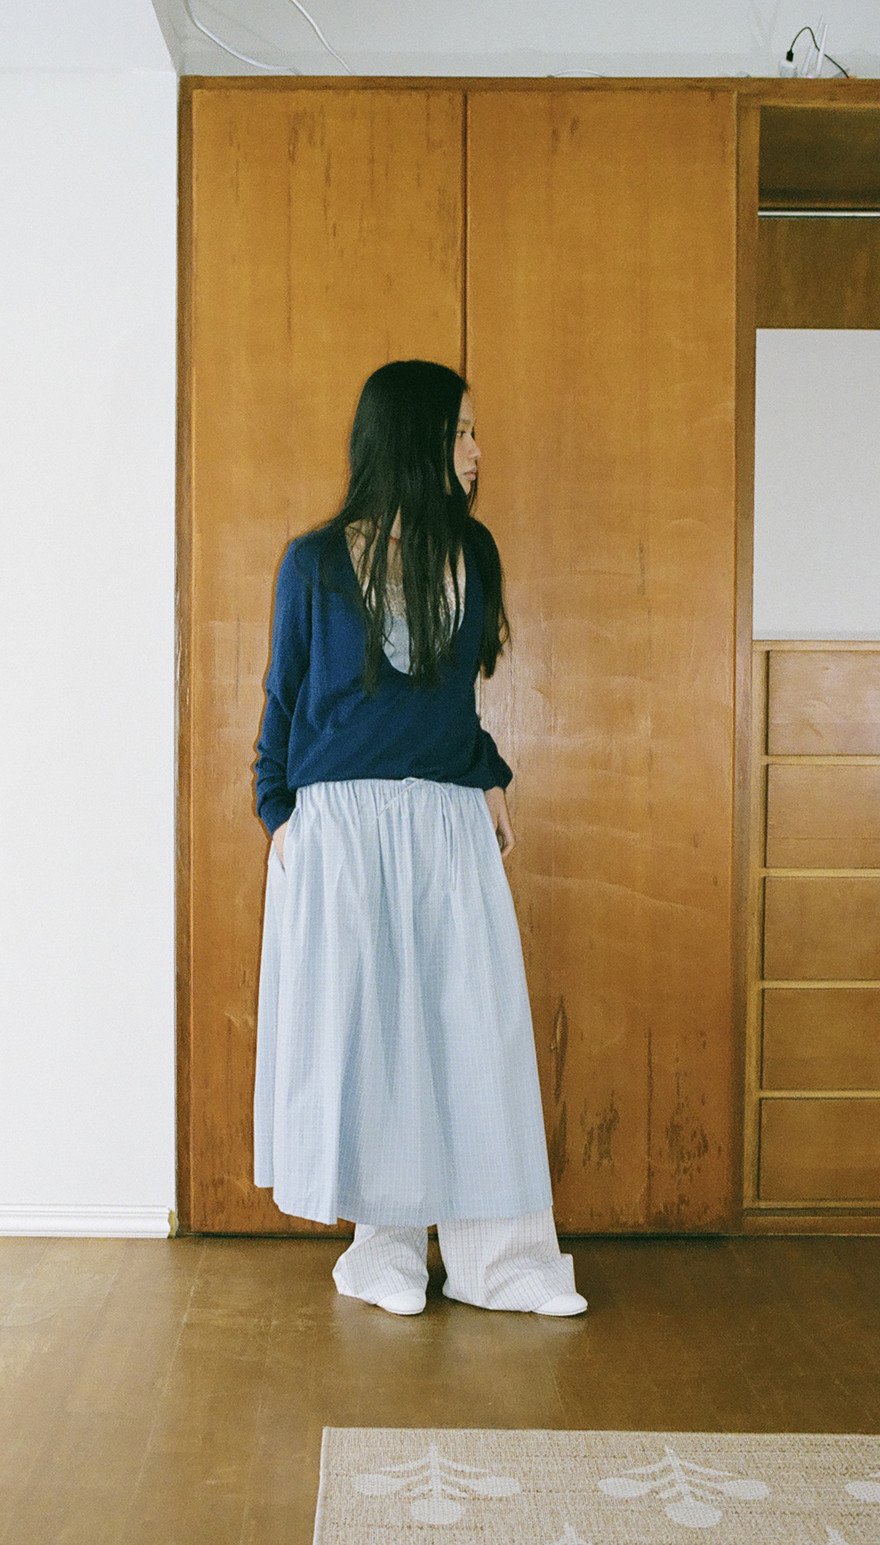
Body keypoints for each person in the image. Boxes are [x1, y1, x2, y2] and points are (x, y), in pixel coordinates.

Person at [253, 360, 587, 1318]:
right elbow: (283, 697)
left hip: (442, 819)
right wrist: (279, 812)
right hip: (342, 828)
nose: (477, 451)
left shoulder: (471, 554)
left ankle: (502, 1263)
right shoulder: (315, 563)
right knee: (372, 1040)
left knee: (473, 1032)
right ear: (412, 440)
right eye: (460, 432)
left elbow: (451, 703)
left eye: (474, 432)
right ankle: (383, 1254)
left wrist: (488, 774)